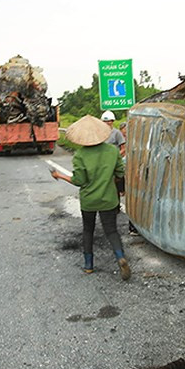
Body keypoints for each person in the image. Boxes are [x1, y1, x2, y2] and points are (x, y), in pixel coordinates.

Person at [51, 115, 131, 280]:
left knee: (88, 230)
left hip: (88, 201)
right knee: (112, 231)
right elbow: (120, 173)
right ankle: (120, 257)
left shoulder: (80, 156)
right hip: (108, 199)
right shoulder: (112, 151)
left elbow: (79, 181)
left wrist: (60, 175)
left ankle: (89, 265)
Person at [119, 121, 139, 236]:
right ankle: (132, 227)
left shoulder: (135, 140)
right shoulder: (120, 140)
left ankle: (134, 226)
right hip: (124, 172)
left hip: (133, 173)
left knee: (133, 199)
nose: (125, 132)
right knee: (130, 199)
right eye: (124, 130)